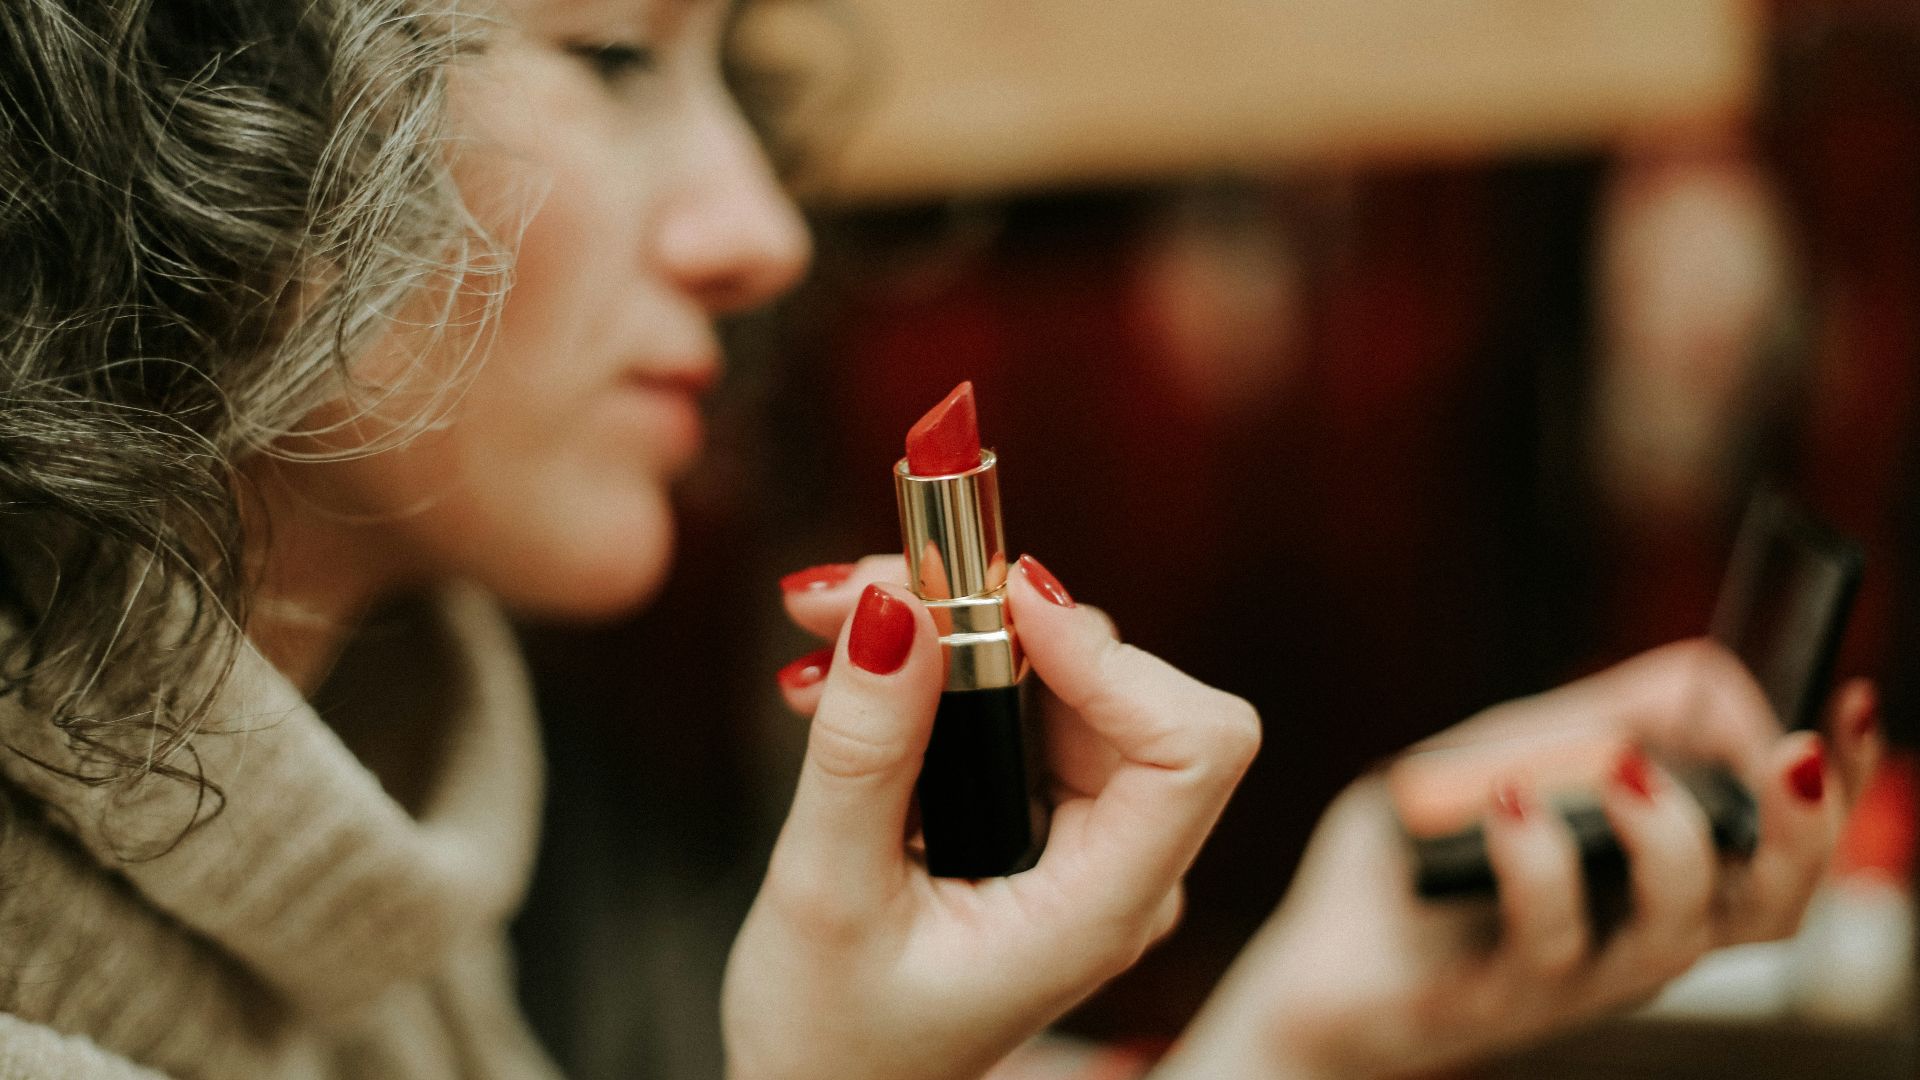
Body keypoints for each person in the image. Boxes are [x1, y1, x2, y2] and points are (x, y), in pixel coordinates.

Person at [0, 0, 1879, 1078]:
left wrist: (1313, 1018)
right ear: (184, 93)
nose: (762, 230)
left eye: (732, 70)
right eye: (616, 52)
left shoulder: (386, 884)